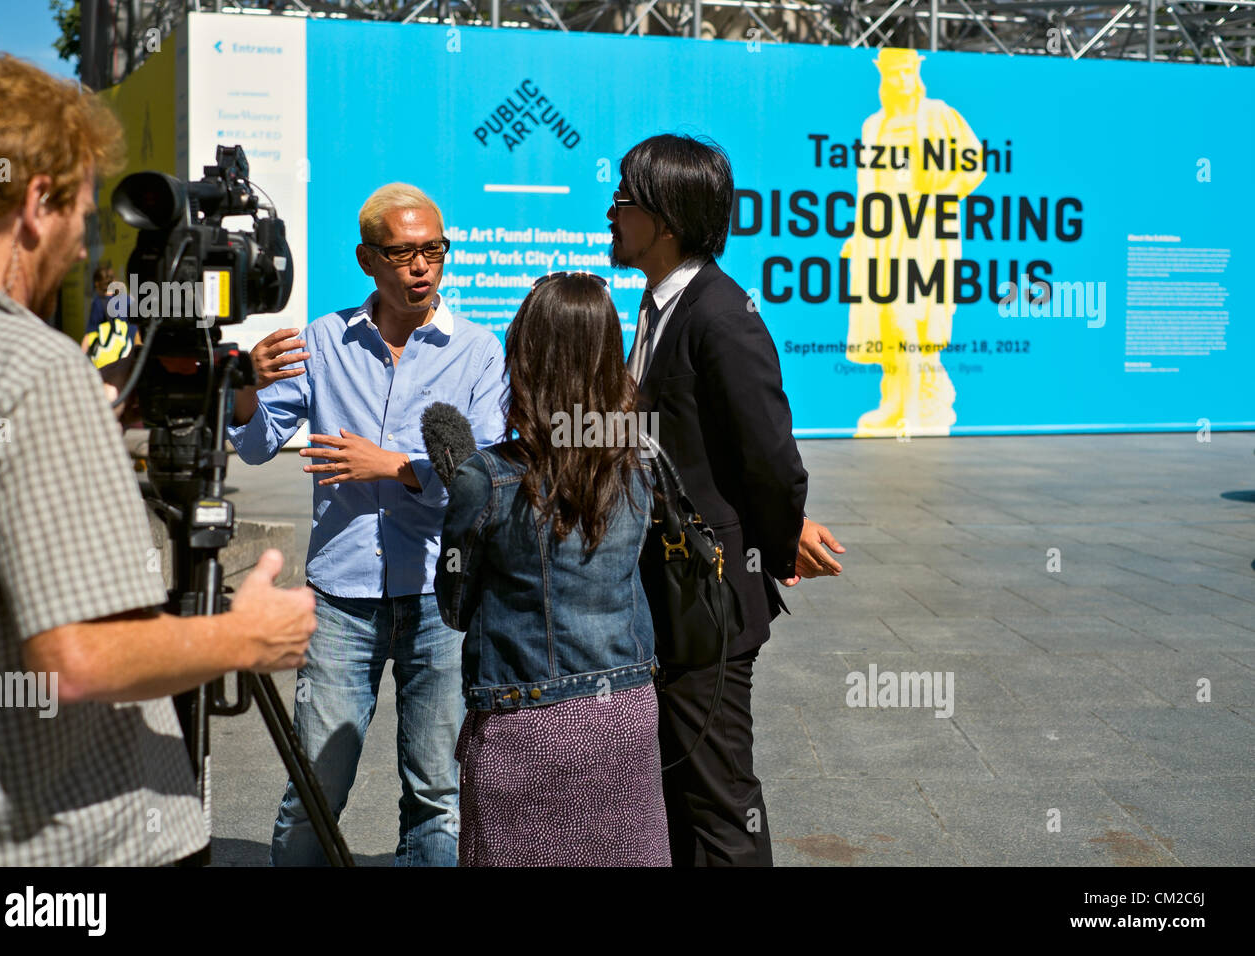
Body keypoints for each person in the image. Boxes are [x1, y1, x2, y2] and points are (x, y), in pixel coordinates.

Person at [0, 52, 316, 866]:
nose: (82, 243)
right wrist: (244, 638)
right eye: (82, 214)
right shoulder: (34, 371)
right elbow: (75, 659)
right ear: (34, 201)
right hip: (66, 852)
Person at [228, 183, 506, 866]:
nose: (422, 267)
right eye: (403, 253)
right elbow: (258, 442)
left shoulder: (477, 351)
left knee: (438, 795)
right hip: (341, 601)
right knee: (315, 788)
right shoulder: (323, 341)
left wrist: (395, 466)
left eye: (434, 251)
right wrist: (242, 388)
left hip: (439, 599)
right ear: (367, 260)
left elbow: (490, 474)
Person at [608, 133, 846, 866]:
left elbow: (770, 455)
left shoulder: (719, 314)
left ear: (667, 220)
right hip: (668, 600)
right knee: (679, 789)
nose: (610, 212)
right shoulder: (659, 307)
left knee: (717, 801)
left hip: (706, 603)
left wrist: (776, 542)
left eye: (625, 199)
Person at [436, 272, 668, 866]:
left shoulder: (484, 477)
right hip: (624, 712)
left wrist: (460, 481)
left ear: (524, 360)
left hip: (522, 721)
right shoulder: (639, 467)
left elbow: (454, 608)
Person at [844, 48, 986, 436]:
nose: (901, 82)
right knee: (886, 320)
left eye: (907, 73)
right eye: (893, 75)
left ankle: (912, 407)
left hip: (924, 233)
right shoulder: (875, 124)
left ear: (916, 74)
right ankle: (895, 399)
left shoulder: (939, 113)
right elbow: (867, 188)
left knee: (910, 317)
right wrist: (857, 236)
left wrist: (938, 198)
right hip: (883, 235)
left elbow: (974, 166)